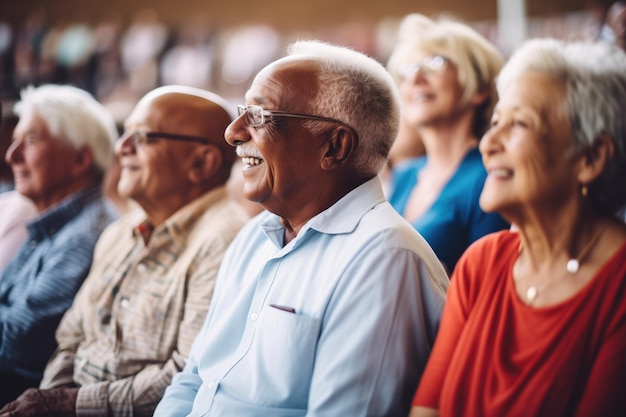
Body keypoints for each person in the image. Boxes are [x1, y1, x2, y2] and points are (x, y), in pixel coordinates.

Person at [154, 40, 450, 417]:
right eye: (244, 110)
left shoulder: (384, 257)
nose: (233, 132)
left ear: (334, 146)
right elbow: (195, 380)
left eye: (260, 115)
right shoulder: (254, 236)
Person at [0, 85, 249, 416]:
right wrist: (52, 397)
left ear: (201, 163)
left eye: (141, 137)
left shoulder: (224, 241)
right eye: (124, 135)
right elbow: (71, 338)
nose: (121, 148)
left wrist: (69, 405)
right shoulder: (120, 231)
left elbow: (186, 374)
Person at [410, 38, 626, 417]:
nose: (489, 144)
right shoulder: (481, 263)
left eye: (520, 123)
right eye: (496, 123)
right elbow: (427, 408)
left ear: (590, 157)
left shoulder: (617, 284)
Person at [0, 84, 119, 404]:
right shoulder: (52, 222)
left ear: (80, 160)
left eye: (32, 140)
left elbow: (18, 345)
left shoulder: (84, 235)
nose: (12, 156)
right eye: (14, 141)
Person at [386, 14, 510, 274]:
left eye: (434, 63)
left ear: (478, 89)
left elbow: (486, 286)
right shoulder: (404, 174)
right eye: (407, 69)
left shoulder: (490, 175)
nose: (415, 78)